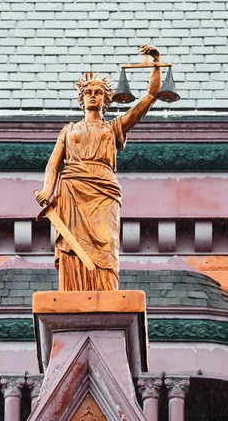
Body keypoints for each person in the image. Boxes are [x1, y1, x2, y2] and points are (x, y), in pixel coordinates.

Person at [35, 44, 161, 291]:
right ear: (81, 100)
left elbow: (147, 101)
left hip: (103, 192)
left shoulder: (113, 128)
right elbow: (53, 163)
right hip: (71, 190)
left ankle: (105, 295)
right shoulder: (69, 130)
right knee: (73, 248)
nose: (93, 95)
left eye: (98, 92)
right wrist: (47, 190)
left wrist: (155, 65)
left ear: (106, 99)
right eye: (88, 92)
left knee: (106, 243)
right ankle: (73, 293)